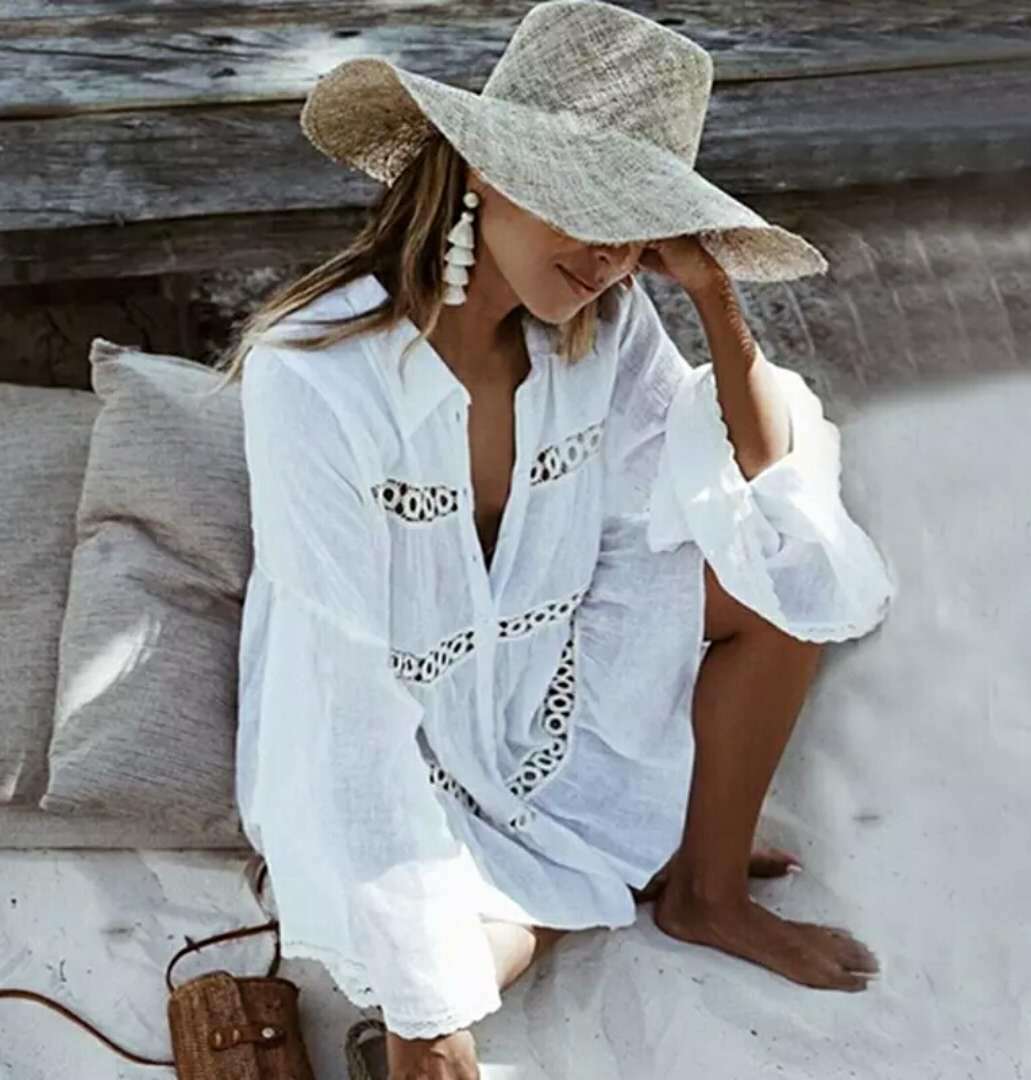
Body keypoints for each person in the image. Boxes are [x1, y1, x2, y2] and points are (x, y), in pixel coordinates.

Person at [212, 2, 896, 1077]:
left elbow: (768, 495)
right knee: (455, 964)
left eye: (640, 221)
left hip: (539, 684)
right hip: (384, 733)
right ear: (483, 168)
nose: (612, 253)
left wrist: (713, 292)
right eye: (588, 202)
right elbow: (340, 685)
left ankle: (705, 893)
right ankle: (517, 928)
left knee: (777, 589)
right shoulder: (314, 373)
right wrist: (429, 1016)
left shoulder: (603, 326)